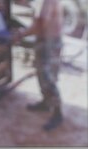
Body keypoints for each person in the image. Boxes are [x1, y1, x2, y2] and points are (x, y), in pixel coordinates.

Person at [14, 0, 64, 132]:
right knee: (42, 75)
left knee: (48, 78)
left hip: (49, 42)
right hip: (44, 40)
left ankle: (57, 113)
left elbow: (41, 25)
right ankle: (46, 103)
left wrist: (20, 34)